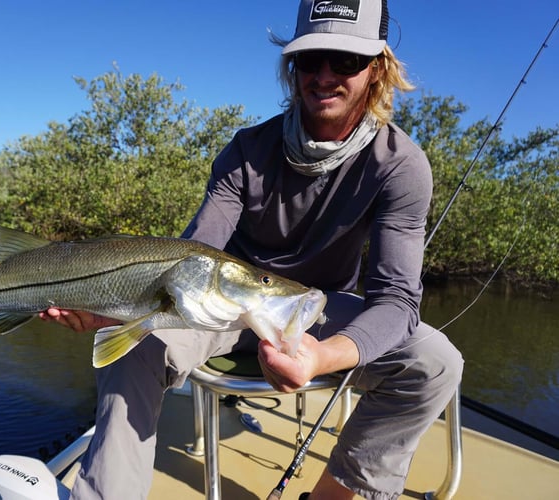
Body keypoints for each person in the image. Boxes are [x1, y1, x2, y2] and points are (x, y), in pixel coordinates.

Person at [42, 1, 464, 498]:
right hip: (214, 307)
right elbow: (196, 253)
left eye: (346, 61)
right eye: (312, 58)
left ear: (377, 70)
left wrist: (322, 355)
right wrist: (120, 306)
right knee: (136, 349)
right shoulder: (246, 151)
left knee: (436, 362)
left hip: (314, 309)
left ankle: (335, 494)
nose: (325, 75)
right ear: (293, 66)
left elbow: (396, 300)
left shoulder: (401, 165)